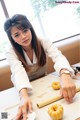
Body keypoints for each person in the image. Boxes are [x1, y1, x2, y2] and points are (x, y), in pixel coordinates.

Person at [4, 14, 76, 120]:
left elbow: (57, 56)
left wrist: (65, 74)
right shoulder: (10, 52)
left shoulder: (43, 41)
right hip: (24, 89)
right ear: (12, 39)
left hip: (43, 83)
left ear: (30, 29)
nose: (23, 36)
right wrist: (23, 96)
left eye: (25, 30)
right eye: (16, 35)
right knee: (11, 114)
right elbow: (17, 71)